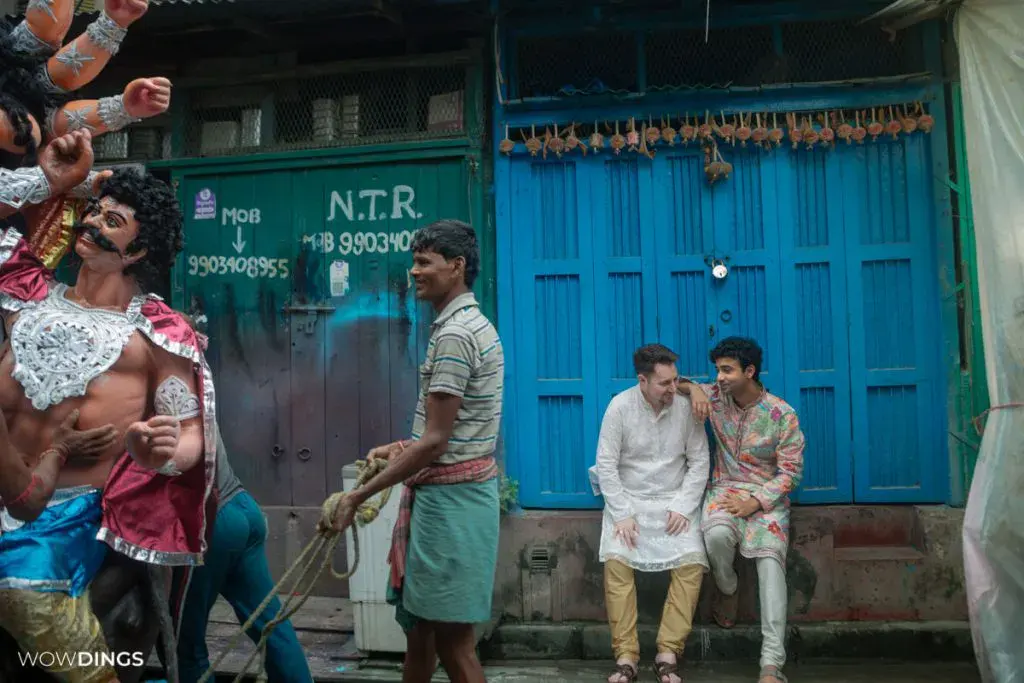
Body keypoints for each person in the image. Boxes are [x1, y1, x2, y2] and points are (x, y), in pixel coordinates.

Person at [0, 130, 217, 683]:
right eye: (94, 212)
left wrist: (163, 450)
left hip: (73, 512)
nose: (93, 223)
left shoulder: (157, 333)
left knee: (24, 595)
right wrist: (57, 180)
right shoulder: (25, 293)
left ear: (139, 252)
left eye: (111, 222)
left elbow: (190, 434)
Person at [324, 219, 504, 683]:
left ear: (457, 266)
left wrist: (356, 498)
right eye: (414, 261)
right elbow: (448, 433)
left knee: (453, 642)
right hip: (454, 501)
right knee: (421, 632)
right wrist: (401, 446)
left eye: (425, 262)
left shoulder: (454, 336)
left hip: (452, 507)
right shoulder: (469, 325)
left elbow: (436, 442)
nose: (414, 271)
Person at [173, 323, 312, 683]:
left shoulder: (158, 385)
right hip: (243, 509)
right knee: (272, 627)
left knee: (183, 645)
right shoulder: (193, 372)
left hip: (211, 522)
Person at [677, 337, 805, 683]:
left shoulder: (781, 414)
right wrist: (695, 390)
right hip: (725, 490)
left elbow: (791, 472)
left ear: (749, 371)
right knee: (716, 535)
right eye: (717, 369)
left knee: (770, 566)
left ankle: (771, 665)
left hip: (767, 499)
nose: (719, 377)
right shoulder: (716, 398)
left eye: (727, 370)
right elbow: (673, 382)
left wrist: (757, 501)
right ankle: (728, 589)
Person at [588, 344, 710, 683]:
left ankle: (668, 650)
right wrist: (623, 513)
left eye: (675, 381)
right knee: (617, 563)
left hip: (675, 501)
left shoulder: (685, 407)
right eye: (665, 384)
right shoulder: (619, 407)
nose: (674, 389)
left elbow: (699, 461)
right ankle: (626, 656)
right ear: (643, 381)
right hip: (629, 501)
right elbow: (607, 466)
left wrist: (684, 506)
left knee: (692, 562)